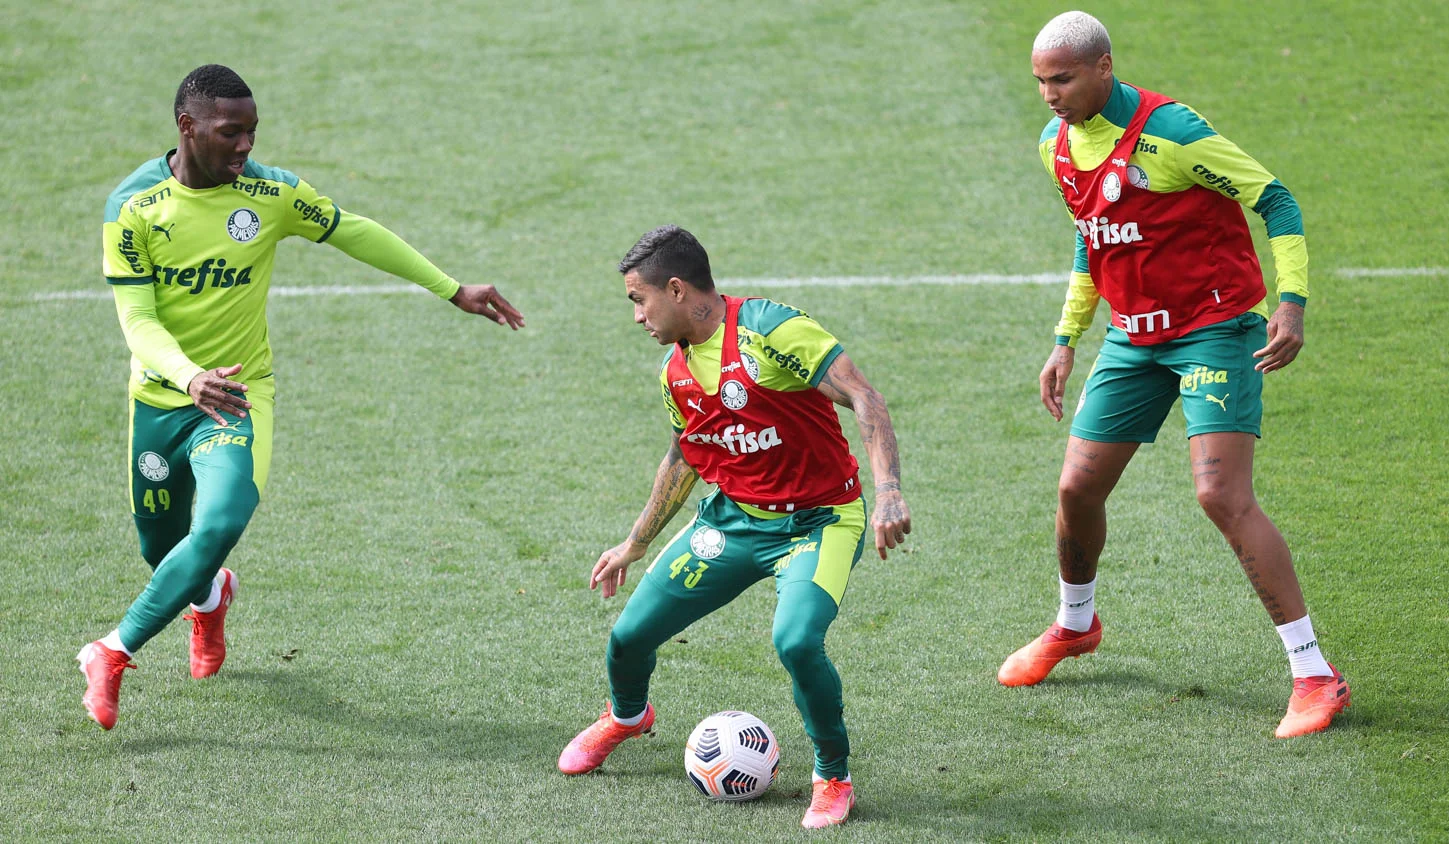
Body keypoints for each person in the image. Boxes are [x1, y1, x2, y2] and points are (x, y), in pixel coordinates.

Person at [80, 64, 526, 730]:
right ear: (187, 127)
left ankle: (111, 652)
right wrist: (187, 375)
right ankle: (208, 600)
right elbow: (137, 320)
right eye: (230, 133)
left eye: (252, 133)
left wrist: (451, 287)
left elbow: (352, 229)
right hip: (162, 399)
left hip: (237, 395)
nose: (244, 147)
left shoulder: (269, 193)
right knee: (164, 553)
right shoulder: (134, 206)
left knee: (221, 523)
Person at [997, 12, 1348, 739]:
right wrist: (1066, 340)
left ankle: (1315, 674)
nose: (1049, 94)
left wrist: (1292, 302)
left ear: (1103, 67)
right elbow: (1091, 238)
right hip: (1133, 339)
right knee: (1075, 487)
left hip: (1214, 331)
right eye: (1040, 81)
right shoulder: (1054, 145)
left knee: (1220, 493)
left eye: (1062, 78)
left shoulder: (1173, 133)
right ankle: (1075, 624)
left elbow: (1275, 198)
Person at [556, 225, 911, 829]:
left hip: (819, 522)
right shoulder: (675, 372)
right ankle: (627, 716)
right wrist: (635, 543)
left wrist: (889, 494)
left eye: (638, 300)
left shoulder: (770, 331)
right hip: (734, 522)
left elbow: (864, 397)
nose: (637, 316)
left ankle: (832, 774)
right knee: (628, 638)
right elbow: (685, 456)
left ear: (675, 289)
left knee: (797, 641)